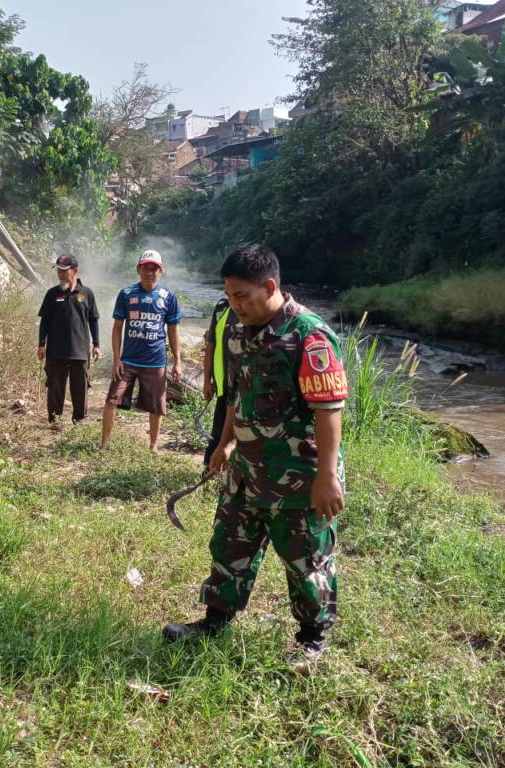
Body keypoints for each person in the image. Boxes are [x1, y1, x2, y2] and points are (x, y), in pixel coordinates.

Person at [162, 243, 348, 665]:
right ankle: (214, 620)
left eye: (242, 296)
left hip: (298, 475)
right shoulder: (235, 331)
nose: (235, 305)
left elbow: (329, 409)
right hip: (245, 469)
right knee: (229, 544)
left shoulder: (310, 335)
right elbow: (235, 396)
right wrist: (226, 442)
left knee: (306, 559)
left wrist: (327, 477)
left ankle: (312, 638)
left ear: (270, 286)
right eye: (229, 296)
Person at [100, 249, 182, 451]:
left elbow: (173, 330)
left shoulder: (168, 297)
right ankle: (104, 444)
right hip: (127, 361)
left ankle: (153, 446)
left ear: (160, 271)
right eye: (146, 267)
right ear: (138, 269)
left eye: (154, 268)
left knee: (156, 406)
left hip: (156, 362)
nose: (150, 272)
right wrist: (117, 360)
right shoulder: (127, 294)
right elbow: (117, 328)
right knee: (112, 400)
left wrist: (177, 361)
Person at [37, 254, 101, 426]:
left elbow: (93, 320)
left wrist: (97, 345)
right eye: (59, 270)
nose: (61, 274)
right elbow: (45, 321)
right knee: (55, 388)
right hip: (56, 352)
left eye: (65, 271)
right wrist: (41, 344)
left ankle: (79, 420)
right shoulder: (52, 294)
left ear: (75, 270)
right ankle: (55, 421)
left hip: (80, 352)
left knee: (80, 389)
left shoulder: (86, 293)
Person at [201, 295, 237, 468]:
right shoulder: (222, 308)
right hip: (224, 386)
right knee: (219, 433)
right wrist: (207, 380)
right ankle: (209, 472)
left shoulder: (254, 310)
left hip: (245, 388)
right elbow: (211, 345)